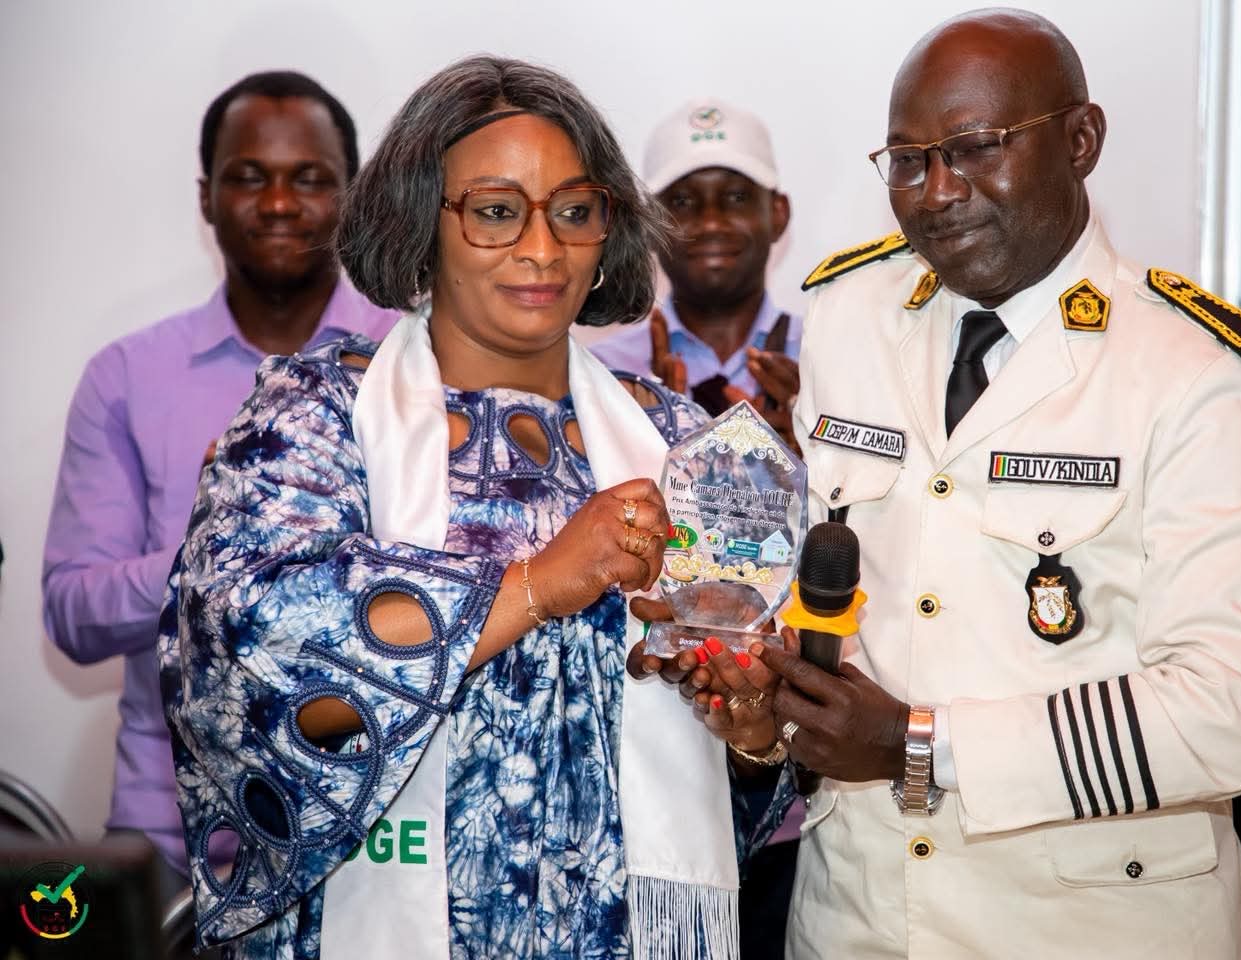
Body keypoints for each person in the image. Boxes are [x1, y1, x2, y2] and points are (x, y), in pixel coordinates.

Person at [157, 56, 787, 958]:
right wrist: (538, 583)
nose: (544, 248)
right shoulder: (319, 414)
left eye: (574, 211)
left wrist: (753, 728)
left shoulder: (683, 443)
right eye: (496, 212)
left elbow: (732, 781)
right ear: (421, 222)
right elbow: (250, 664)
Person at [760, 10, 1241, 958]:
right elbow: (816, 595)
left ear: (1081, 141)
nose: (938, 192)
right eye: (908, 160)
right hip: (858, 915)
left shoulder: (1197, 369)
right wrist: (752, 683)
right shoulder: (846, 314)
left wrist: (920, 744)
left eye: (976, 148)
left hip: (1091, 924)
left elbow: (1231, 708)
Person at [41, 70, 395, 892]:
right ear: (206, 198)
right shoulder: (127, 377)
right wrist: (215, 545)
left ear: (352, 198)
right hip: (170, 839)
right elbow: (73, 615)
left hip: (373, 832)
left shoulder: (413, 365)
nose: (279, 203)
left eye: (310, 178)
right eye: (249, 176)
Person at [591, 98, 800, 445]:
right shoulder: (603, 375)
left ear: (778, 214)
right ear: (648, 225)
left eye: (737, 197)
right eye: (682, 202)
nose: (711, 223)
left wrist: (818, 449)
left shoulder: (827, 362)